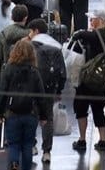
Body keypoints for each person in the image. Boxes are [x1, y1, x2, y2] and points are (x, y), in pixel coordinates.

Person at [0, 40, 51, 170]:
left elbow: (2, 93)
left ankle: (14, 164)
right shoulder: (34, 71)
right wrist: (44, 116)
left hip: (13, 114)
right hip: (30, 114)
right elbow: (41, 97)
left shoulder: (8, 69)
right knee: (27, 145)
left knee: (13, 144)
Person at [68, 10, 105, 152]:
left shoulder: (100, 34)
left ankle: (82, 139)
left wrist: (77, 34)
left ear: (101, 20)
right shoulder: (102, 35)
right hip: (100, 79)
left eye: (92, 19)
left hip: (88, 79)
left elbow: (81, 35)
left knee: (81, 108)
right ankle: (102, 140)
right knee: (98, 109)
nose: (90, 21)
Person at [26, 19, 67, 165]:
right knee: (47, 119)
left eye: (31, 31)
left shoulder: (29, 46)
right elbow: (62, 73)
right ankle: (47, 152)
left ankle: (32, 146)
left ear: (36, 31)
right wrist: (59, 90)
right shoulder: (55, 47)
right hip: (49, 89)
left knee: (31, 117)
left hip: (31, 89)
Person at [0, 4, 31, 78]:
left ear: (11, 17)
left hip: (6, 72)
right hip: (25, 73)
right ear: (25, 18)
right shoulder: (30, 34)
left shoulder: (3, 33)